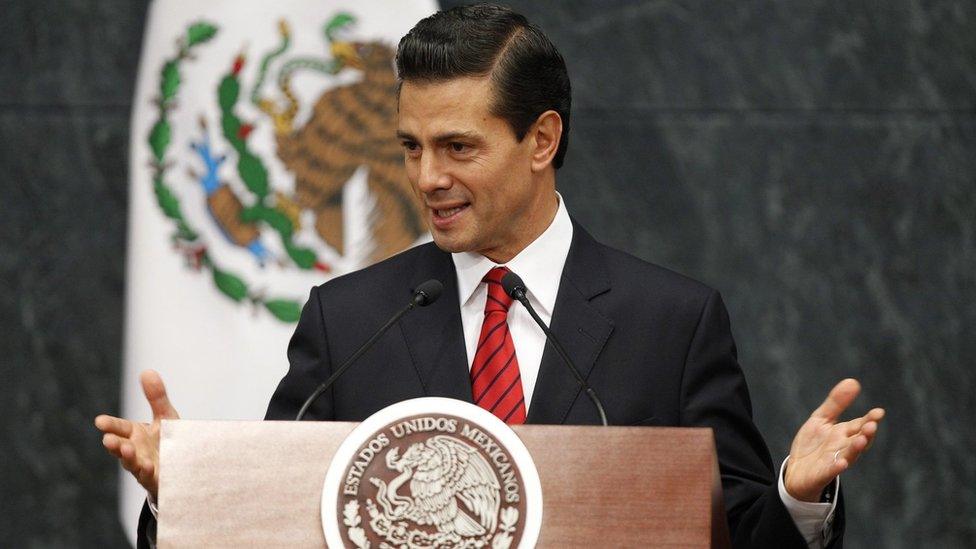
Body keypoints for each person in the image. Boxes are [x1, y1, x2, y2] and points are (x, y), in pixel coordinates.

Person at [96, 4, 884, 548]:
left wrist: (796, 496)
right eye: (410, 146)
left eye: (458, 147)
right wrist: (186, 495)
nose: (427, 176)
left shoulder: (671, 321)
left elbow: (734, 532)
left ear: (541, 140)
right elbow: (281, 519)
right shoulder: (350, 319)